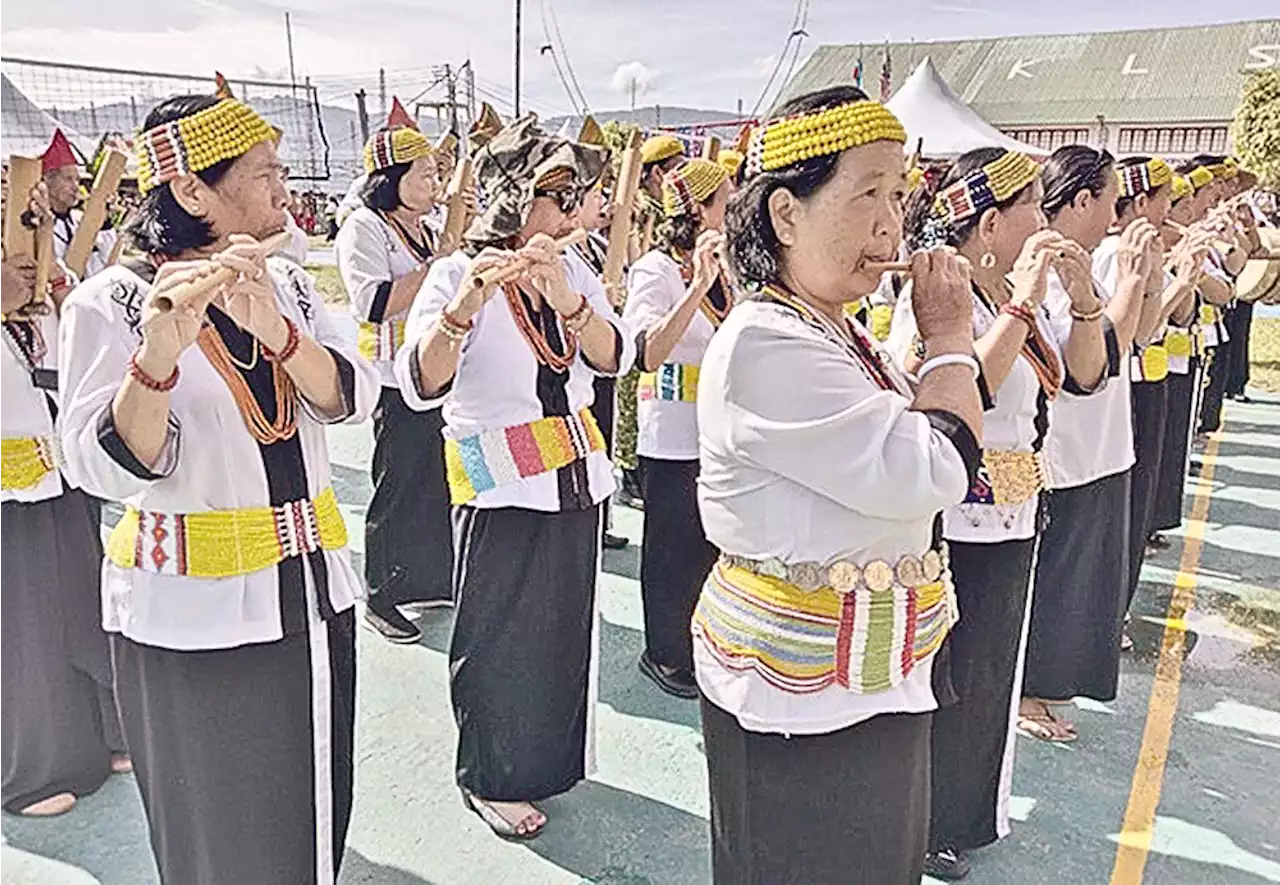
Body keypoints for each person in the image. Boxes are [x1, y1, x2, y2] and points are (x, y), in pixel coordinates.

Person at [58, 94, 378, 884]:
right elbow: (93, 464)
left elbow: (352, 393)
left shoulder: (290, 284)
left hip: (311, 596)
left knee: (310, 816)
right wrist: (158, 355)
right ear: (194, 192)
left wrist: (281, 333)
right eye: (264, 171)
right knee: (218, 839)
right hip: (186, 619)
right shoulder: (112, 303)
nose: (283, 187)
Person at [695, 84, 983, 885]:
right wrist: (952, 332)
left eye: (899, 194)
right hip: (797, 699)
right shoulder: (765, 344)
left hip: (868, 676)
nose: (893, 223)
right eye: (867, 195)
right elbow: (936, 467)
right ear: (786, 215)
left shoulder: (831, 327)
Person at [395, 115, 634, 839]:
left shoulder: (577, 269)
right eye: (557, 198)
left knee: (561, 632)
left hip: (574, 478)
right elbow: (419, 383)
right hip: (498, 481)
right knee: (496, 634)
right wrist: (465, 307)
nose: (570, 213)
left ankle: (545, 764)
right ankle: (490, 775)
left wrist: (570, 300)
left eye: (574, 198)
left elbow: (615, 354)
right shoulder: (452, 275)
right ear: (512, 196)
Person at [893, 146, 1109, 879]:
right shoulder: (934, 297)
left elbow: (1085, 373)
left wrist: (1081, 299)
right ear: (988, 223)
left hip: (1016, 512)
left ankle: (966, 812)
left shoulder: (1018, 297)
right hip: (950, 518)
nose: (1041, 222)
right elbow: (966, 384)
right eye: (1028, 211)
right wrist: (1022, 300)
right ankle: (926, 821)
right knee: (947, 673)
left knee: (990, 672)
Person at [0, 174, 128, 819]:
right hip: (7, 495)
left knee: (80, 606)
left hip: (58, 481)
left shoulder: (35, 296)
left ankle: (102, 735)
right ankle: (28, 770)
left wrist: (51, 295)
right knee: (22, 630)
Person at [1021, 146, 1158, 742]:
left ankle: (1049, 686)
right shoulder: (1052, 264)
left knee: (1086, 579)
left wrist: (1149, 278)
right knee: (1057, 579)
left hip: (1104, 444)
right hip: (1066, 451)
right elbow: (1099, 358)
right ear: (1080, 201)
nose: (1114, 213)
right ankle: (1028, 692)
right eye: (1105, 199)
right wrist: (1127, 277)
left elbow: (1144, 331)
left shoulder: (1096, 255)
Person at [337, 122, 455, 642]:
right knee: (396, 484)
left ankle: (426, 579)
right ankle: (380, 596)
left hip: (425, 372)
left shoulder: (420, 228)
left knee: (432, 480)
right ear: (392, 178)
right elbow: (374, 302)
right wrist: (438, 265)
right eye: (424, 175)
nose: (434, 185)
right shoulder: (364, 227)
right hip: (389, 377)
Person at [624, 157, 731, 698]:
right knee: (672, 551)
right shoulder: (656, 271)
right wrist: (697, 289)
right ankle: (663, 653)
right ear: (696, 212)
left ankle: (702, 645)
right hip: (669, 436)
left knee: (710, 547)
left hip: (717, 437)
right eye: (723, 203)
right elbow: (647, 351)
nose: (732, 212)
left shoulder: (725, 268)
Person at [1096, 156, 1204, 628]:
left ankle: (1115, 609)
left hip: (1146, 378)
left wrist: (1179, 278)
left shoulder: (1137, 252)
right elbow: (1132, 334)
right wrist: (1177, 281)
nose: (1169, 212)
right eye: (1165, 201)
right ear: (1140, 202)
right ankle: (1110, 612)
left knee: (1136, 506)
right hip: (1124, 387)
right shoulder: (1110, 255)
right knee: (1122, 514)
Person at [569, 140, 630, 551]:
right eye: (596, 194)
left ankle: (601, 518)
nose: (604, 202)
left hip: (592, 368)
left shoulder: (585, 251)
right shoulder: (568, 252)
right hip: (500, 487)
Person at [43, 129, 119, 279]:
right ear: (47, 181)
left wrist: (105, 223)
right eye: (68, 179)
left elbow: (107, 262)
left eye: (77, 180)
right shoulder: (38, 226)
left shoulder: (81, 219)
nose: (76, 186)